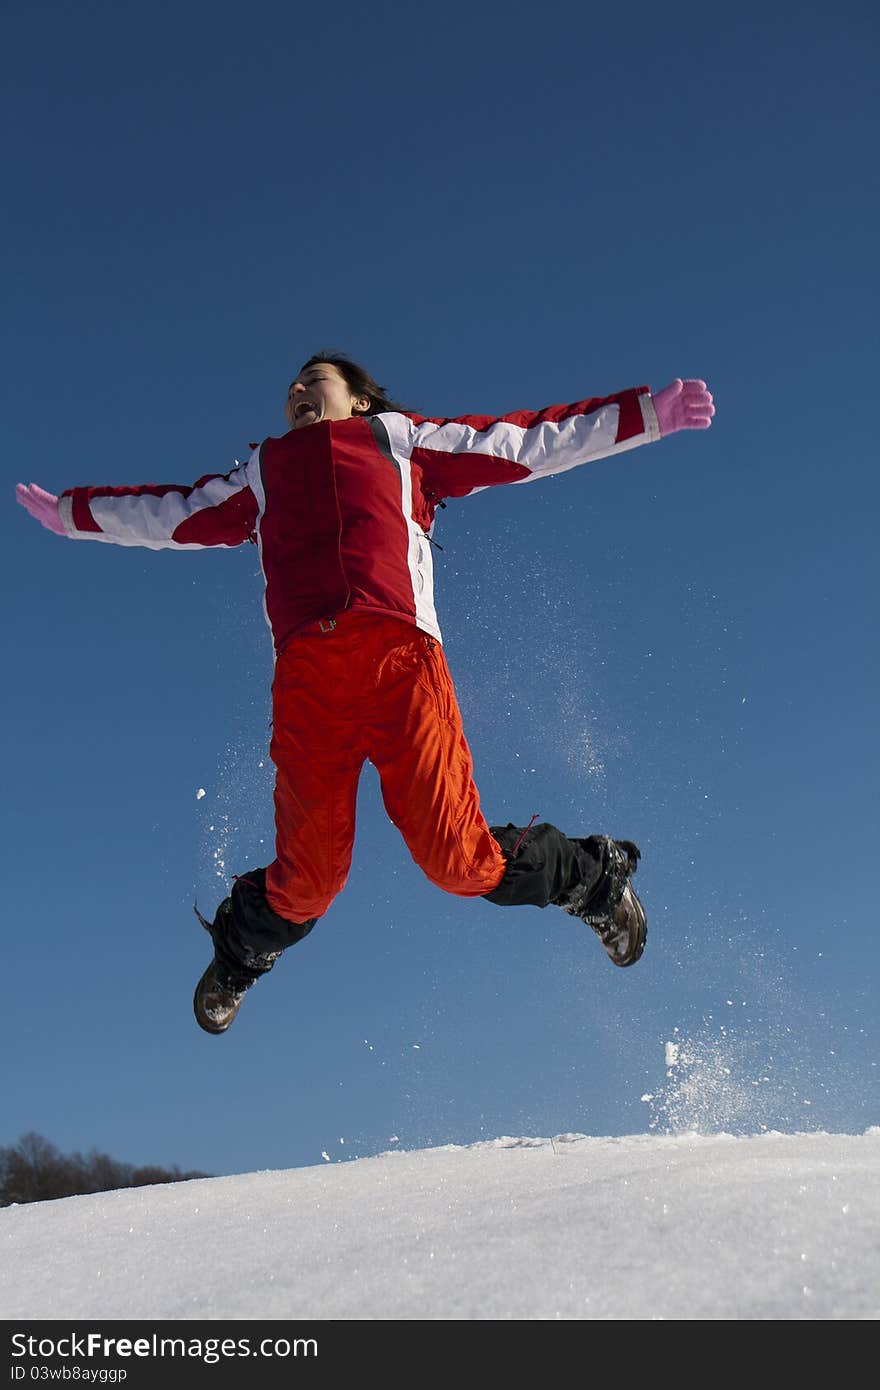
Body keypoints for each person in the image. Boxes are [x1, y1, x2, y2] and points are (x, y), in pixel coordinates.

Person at [16, 355, 715, 1035]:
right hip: (309, 684)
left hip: (400, 664)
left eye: (312, 381)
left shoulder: (402, 441)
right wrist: (74, 513)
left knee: (457, 861)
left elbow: (528, 440)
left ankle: (592, 877)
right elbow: (168, 515)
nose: (295, 392)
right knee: (309, 881)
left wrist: (647, 414)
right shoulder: (262, 475)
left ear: (361, 400)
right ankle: (241, 952)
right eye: (289, 388)